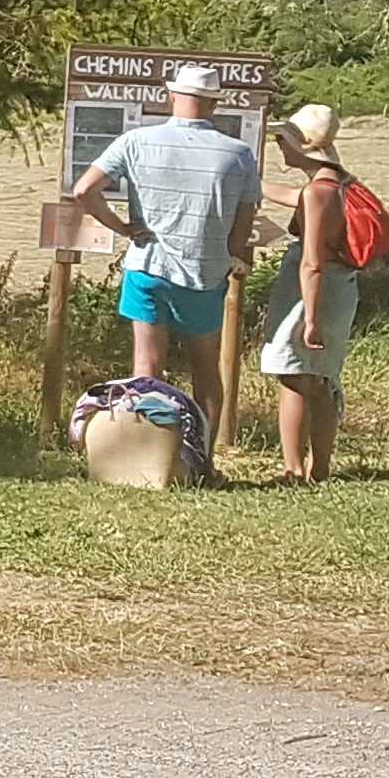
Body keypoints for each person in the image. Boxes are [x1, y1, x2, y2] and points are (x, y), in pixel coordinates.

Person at [61, 62, 260, 425]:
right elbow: (245, 218)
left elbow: (83, 189)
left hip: (148, 265)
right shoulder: (238, 153)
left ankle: (146, 455)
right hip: (205, 272)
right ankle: (204, 458)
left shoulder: (136, 141)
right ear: (213, 104)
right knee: (206, 371)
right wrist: (228, 254)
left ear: (171, 97)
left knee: (146, 370)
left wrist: (122, 227)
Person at [260, 103, 359, 484]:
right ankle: (320, 467)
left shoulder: (317, 194)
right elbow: (296, 196)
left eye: (283, 140)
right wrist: (252, 182)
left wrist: (310, 319)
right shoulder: (338, 182)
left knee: (294, 376)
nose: (279, 146)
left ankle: (293, 468)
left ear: (302, 145)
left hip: (315, 291)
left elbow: (312, 261)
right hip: (341, 287)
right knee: (319, 379)